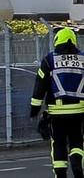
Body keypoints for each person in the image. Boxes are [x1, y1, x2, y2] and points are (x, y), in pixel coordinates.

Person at [32, 26, 84, 178]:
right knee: (77, 140)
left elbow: (39, 87)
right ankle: (76, 162)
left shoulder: (49, 60)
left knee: (58, 142)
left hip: (57, 112)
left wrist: (34, 110)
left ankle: (60, 173)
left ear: (56, 41)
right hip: (79, 111)